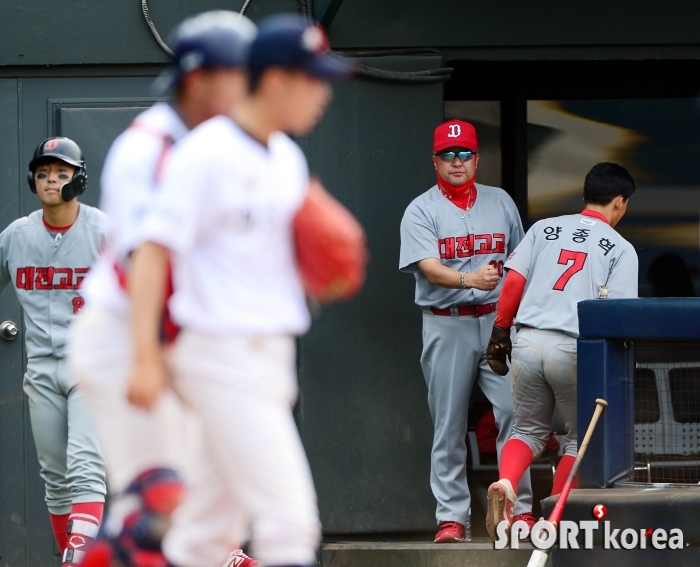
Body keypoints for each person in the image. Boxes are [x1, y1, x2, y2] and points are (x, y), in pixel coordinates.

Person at [125, 13, 354, 567]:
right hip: (222, 352)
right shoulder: (206, 153)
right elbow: (153, 253)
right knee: (289, 523)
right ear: (275, 80)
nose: (323, 94)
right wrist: (146, 357)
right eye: (313, 78)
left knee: (206, 530)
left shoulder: (286, 158)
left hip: (269, 353)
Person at [67, 11, 258, 567]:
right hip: (130, 335)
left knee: (181, 504)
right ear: (200, 79)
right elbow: (146, 265)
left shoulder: (220, 143)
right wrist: (154, 357)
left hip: (172, 335)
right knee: (166, 505)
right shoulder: (148, 148)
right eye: (239, 74)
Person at [484, 162, 638, 539]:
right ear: (619, 202)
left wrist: (500, 331)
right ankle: (552, 521)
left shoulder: (544, 228)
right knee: (577, 438)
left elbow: (513, 282)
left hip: (527, 339)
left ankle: (506, 483)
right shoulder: (620, 247)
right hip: (574, 347)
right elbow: (618, 318)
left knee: (527, 430)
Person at [399, 119, 534, 543]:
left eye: (464, 154)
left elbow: (521, 258)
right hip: (448, 325)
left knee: (516, 414)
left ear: (476, 158)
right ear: (435, 161)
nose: (457, 162)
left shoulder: (500, 201)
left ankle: (522, 511)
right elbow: (428, 268)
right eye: (448, 155)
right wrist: (468, 281)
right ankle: (452, 518)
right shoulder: (421, 209)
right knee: (449, 424)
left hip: (496, 322)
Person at [0, 137, 106, 566]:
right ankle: (71, 555)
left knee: (84, 466)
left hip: (94, 364)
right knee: (55, 476)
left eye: (61, 173)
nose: (50, 180)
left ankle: (80, 559)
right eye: (43, 173)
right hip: (42, 368)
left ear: (78, 179)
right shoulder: (17, 236)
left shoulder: (104, 231)